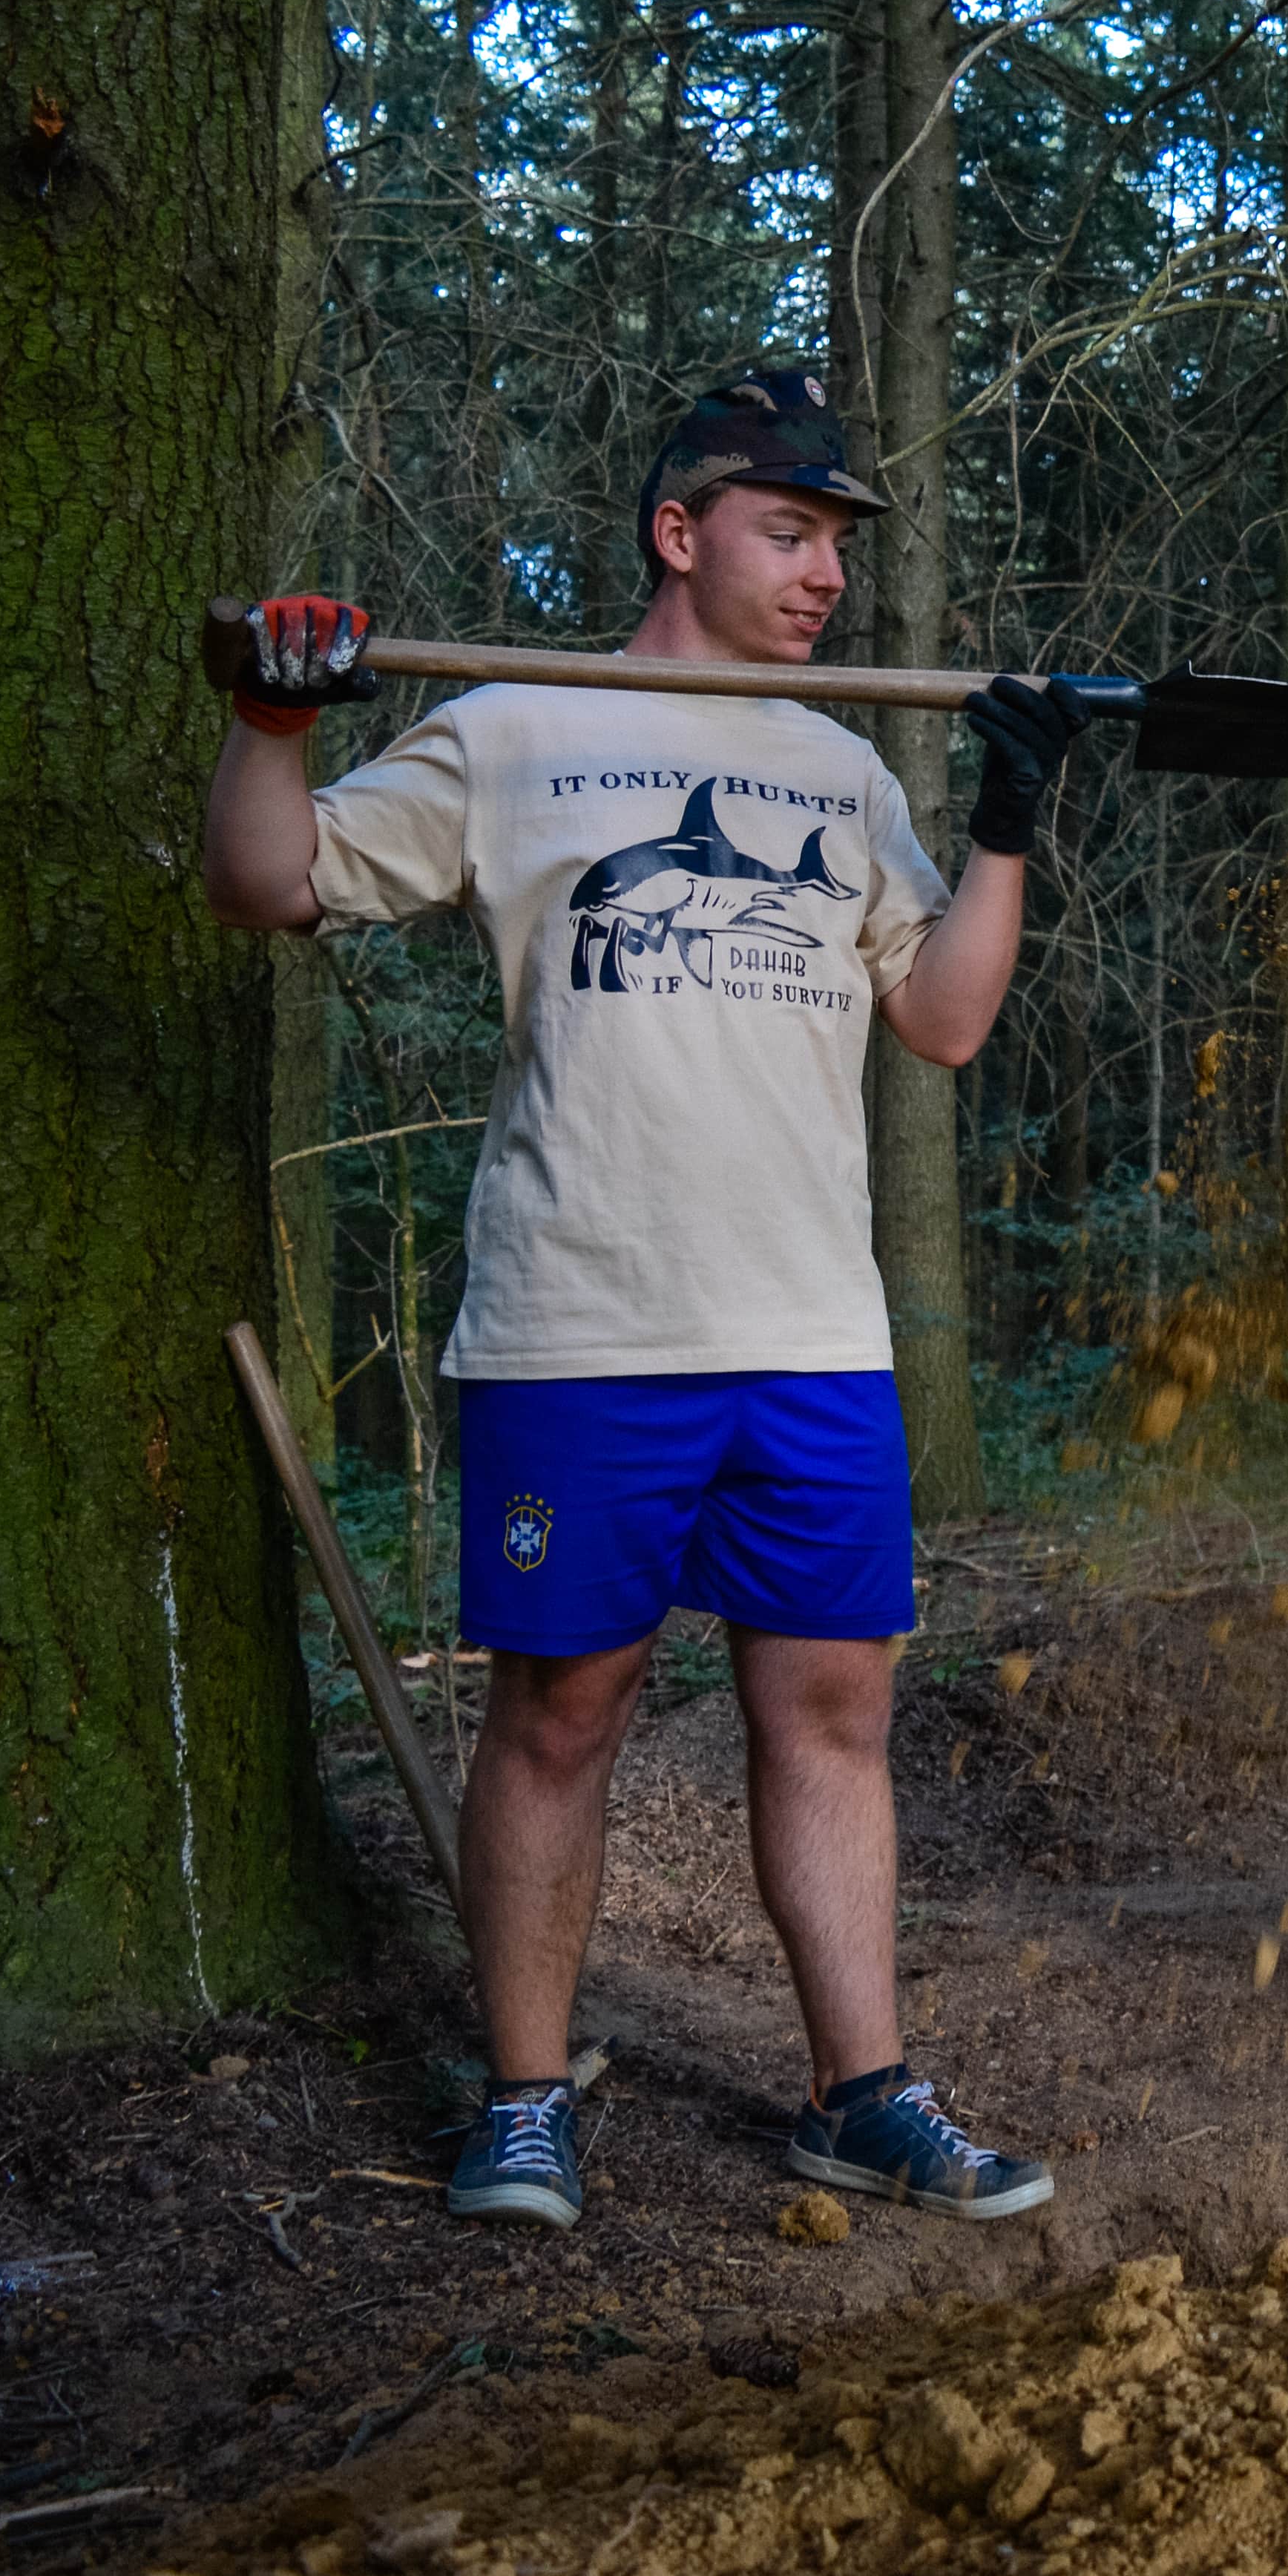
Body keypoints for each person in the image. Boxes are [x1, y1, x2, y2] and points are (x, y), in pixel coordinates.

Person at [200, 367, 1100, 2232]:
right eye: (793, 532)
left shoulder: (844, 763)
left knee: (834, 1708)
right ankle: (527, 2098)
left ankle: (864, 2093)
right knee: (561, 1713)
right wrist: (274, 715)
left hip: (813, 1339)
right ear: (680, 532)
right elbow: (267, 878)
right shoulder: (516, 728)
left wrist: (1006, 819)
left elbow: (941, 1018)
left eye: (841, 543)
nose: (826, 576)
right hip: (582, 1327)